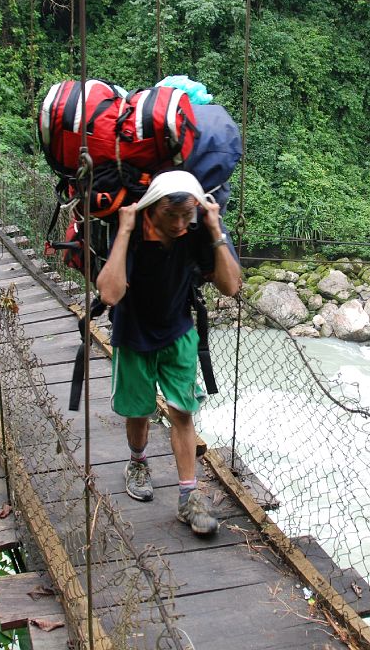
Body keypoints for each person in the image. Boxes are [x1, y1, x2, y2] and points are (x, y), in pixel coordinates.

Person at [96, 170, 241, 536]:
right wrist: (125, 231)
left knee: (183, 412)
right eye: (170, 215)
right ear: (151, 209)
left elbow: (230, 286)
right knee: (138, 411)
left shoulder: (195, 231)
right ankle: (138, 462)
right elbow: (110, 294)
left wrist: (214, 229)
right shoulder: (132, 229)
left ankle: (188, 497)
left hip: (178, 334)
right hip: (133, 334)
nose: (178, 224)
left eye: (185, 215)